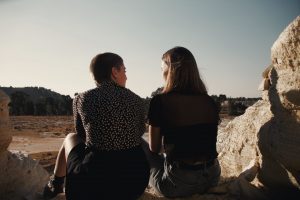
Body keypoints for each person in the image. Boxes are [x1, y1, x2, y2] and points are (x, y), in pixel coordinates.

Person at [43, 53, 150, 200]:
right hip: (134, 183)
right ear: (114, 72)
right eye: (124, 71)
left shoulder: (81, 99)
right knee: (141, 144)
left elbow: (81, 135)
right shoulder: (137, 100)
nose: (126, 76)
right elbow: (139, 132)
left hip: (92, 185)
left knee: (70, 137)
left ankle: (56, 183)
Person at [142, 46, 221, 198]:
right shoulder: (209, 101)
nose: (161, 72)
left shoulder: (160, 101)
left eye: (162, 67)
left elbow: (154, 148)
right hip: (212, 177)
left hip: (180, 183)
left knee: (140, 143)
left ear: (170, 70)